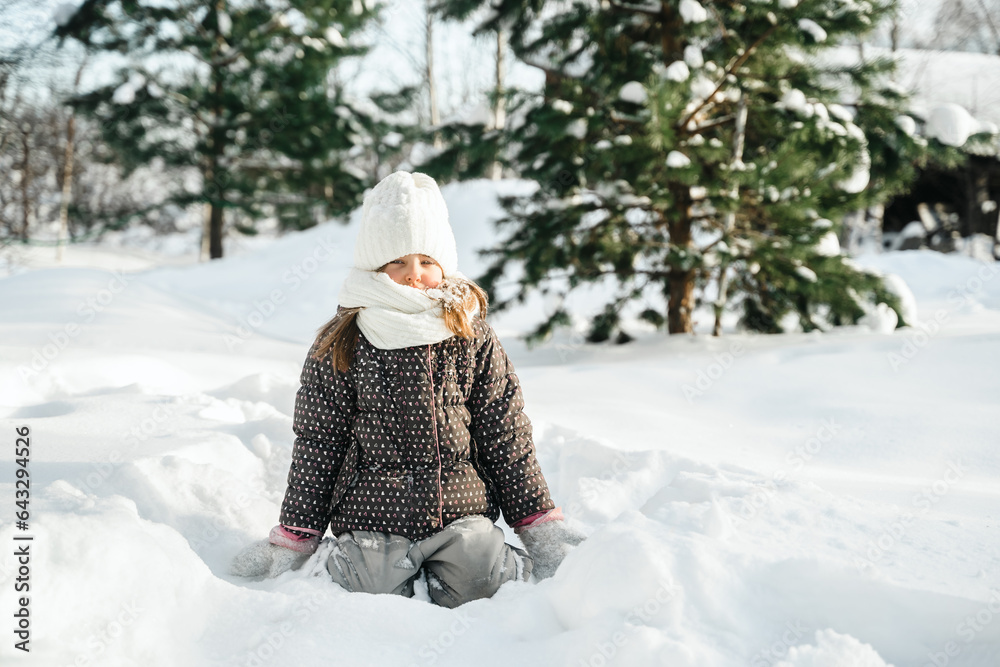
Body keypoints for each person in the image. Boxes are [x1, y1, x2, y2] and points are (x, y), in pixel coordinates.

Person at [231, 171, 585, 608]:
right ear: (374, 268)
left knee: (483, 582)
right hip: (372, 517)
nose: (414, 275)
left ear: (444, 265)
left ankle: (478, 566)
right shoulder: (345, 340)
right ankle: (342, 562)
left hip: (460, 511)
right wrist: (295, 537)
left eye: (426, 261)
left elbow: (504, 432)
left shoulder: (469, 335)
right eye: (397, 261)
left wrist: (539, 527)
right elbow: (320, 443)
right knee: (369, 588)